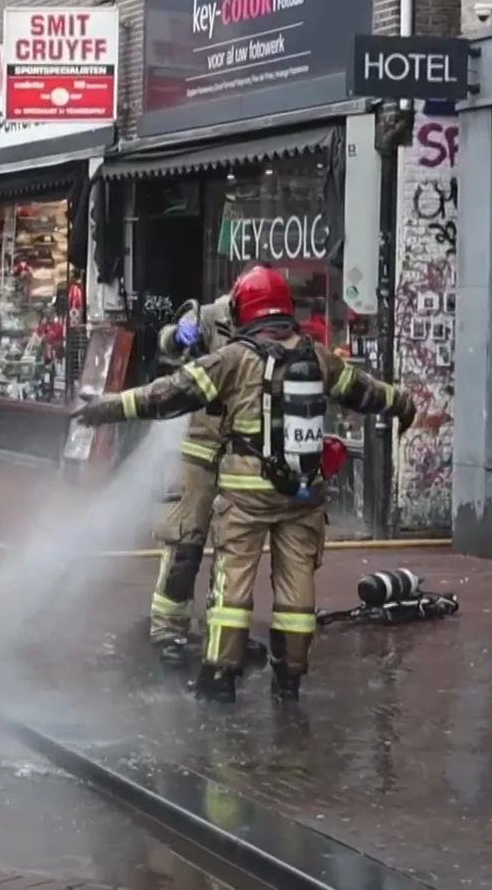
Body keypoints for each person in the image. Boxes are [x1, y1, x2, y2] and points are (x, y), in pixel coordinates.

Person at [71, 264, 417, 703]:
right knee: (297, 590)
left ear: (243, 307)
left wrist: (107, 407)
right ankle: (289, 676)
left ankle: (219, 676)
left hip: (246, 494)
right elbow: (364, 391)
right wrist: (402, 403)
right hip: (303, 494)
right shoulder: (317, 355)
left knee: (232, 587)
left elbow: (167, 394)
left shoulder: (232, 359)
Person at [147, 295, 234, 666]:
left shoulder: (272, 328)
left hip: (243, 452)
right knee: (186, 540)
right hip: (202, 447)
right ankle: (168, 628)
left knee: (234, 548)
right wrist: (180, 336)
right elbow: (164, 340)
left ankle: (221, 631)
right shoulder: (213, 316)